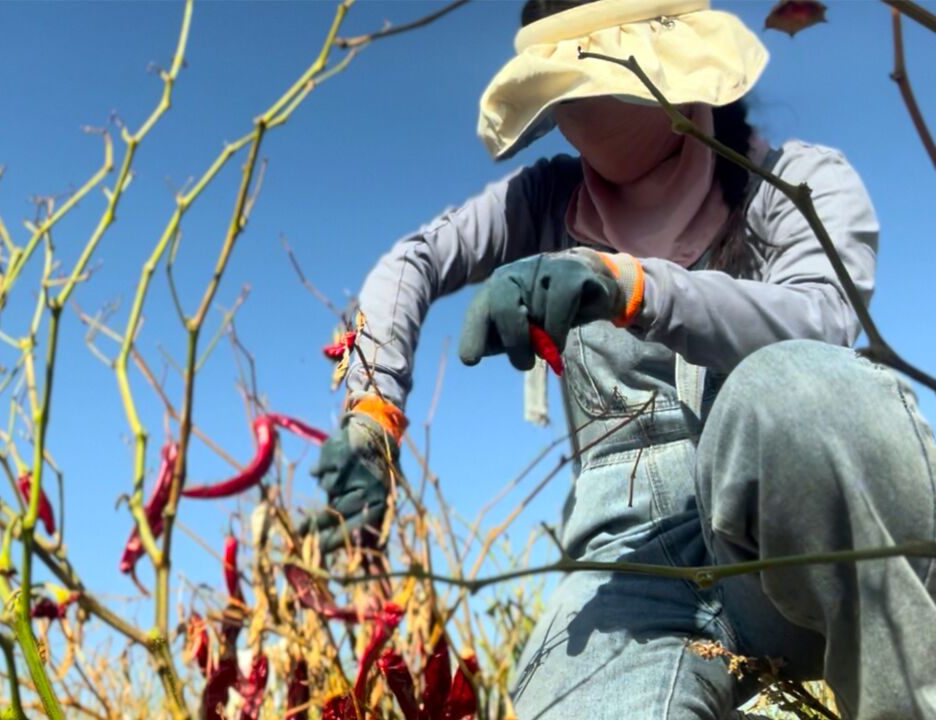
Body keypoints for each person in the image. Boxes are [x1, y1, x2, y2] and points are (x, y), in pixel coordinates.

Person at [301, 0, 936, 718]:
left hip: (782, 535)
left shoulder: (795, 183)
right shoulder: (543, 200)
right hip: (626, 563)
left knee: (801, 388)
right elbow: (413, 263)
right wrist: (371, 409)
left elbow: (820, 318)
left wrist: (630, 285)